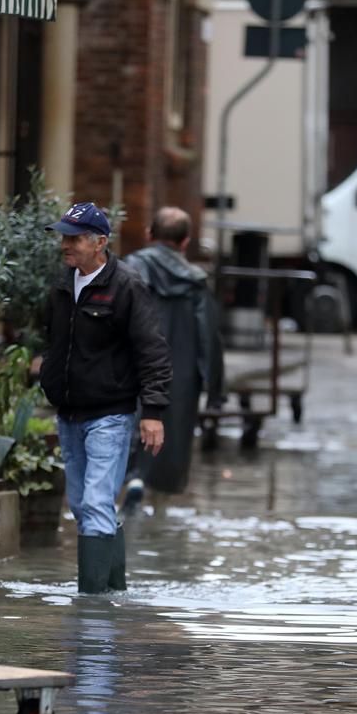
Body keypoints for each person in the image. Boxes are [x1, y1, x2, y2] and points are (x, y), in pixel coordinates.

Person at [40, 201, 171, 593]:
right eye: (63, 236)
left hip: (110, 414)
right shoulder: (63, 285)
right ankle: (114, 591)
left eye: (74, 238)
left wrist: (153, 412)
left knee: (95, 502)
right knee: (82, 505)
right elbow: (54, 340)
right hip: (69, 412)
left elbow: (152, 351)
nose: (65, 244)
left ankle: (92, 611)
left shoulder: (127, 286)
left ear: (100, 242)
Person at [121, 206, 222, 497]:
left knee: (131, 426)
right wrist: (214, 389)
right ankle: (159, 496)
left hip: (134, 367)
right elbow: (209, 337)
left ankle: (132, 480)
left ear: (148, 234)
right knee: (172, 440)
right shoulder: (197, 281)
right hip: (181, 374)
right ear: (185, 241)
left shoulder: (130, 269)